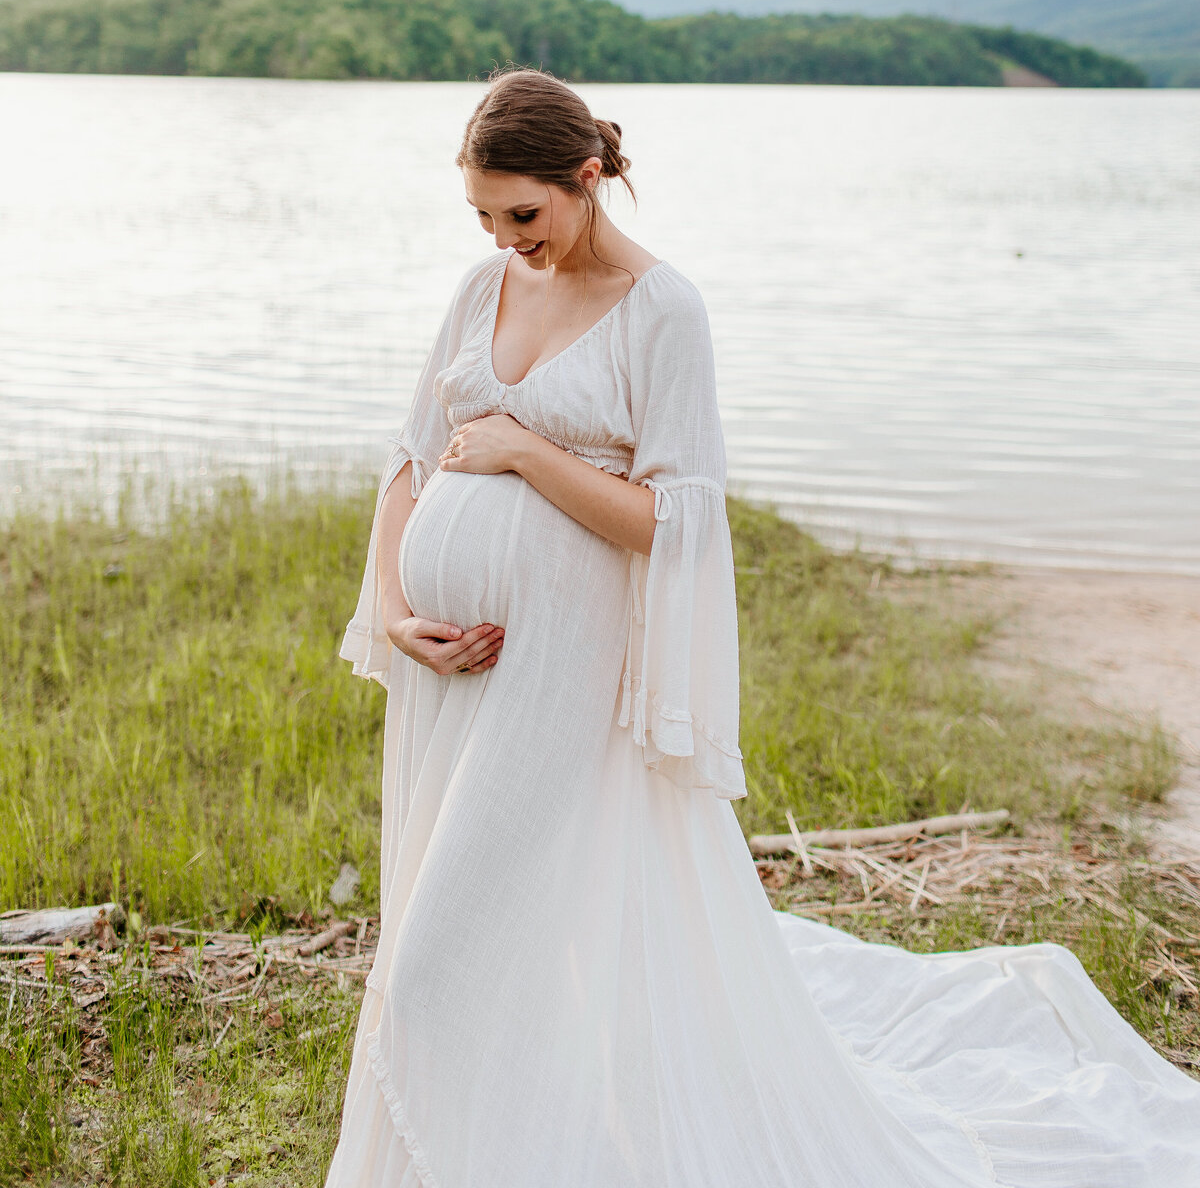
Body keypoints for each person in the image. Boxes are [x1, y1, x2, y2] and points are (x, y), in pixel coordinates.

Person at [326, 69, 1200, 1188]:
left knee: (446, 954)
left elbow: (676, 522)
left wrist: (526, 454)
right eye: (485, 217)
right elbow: (408, 462)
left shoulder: (663, 310)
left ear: (588, 178)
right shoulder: (476, 289)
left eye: (525, 215)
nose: (507, 239)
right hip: (450, 672)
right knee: (509, 935)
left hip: (561, 670)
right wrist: (399, 613)